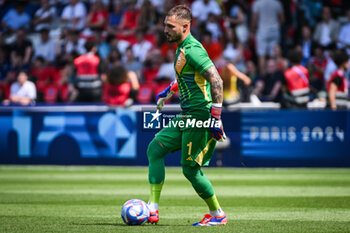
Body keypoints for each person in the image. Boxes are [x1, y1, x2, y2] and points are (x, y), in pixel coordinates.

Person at [146, 5, 227, 226]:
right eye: (164, 25)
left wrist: (215, 117)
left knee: (190, 170)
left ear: (185, 26)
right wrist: (171, 90)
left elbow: (216, 80)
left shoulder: (193, 49)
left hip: (199, 114)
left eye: (170, 26)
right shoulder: (181, 48)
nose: (165, 30)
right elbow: (189, 77)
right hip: (187, 114)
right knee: (154, 149)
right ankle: (152, 209)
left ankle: (218, 215)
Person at [251, 0, 284, 75]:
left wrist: (253, 30)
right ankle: (274, 77)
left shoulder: (258, 3)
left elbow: (254, 19)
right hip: (274, 31)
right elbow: (282, 19)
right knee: (274, 55)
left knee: (262, 54)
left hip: (262, 31)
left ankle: (263, 77)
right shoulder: (277, 3)